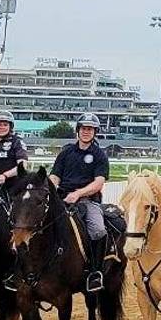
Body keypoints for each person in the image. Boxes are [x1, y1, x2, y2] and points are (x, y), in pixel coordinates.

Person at [50, 113, 110, 292]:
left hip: (88, 201)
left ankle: (95, 272)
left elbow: (99, 182)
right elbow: (55, 176)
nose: (86, 132)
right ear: (78, 130)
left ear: (95, 132)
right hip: (63, 198)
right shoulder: (66, 152)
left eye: (90, 129)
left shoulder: (99, 155)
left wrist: (78, 194)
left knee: (98, 230)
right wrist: (50, 189)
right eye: (83, 128)